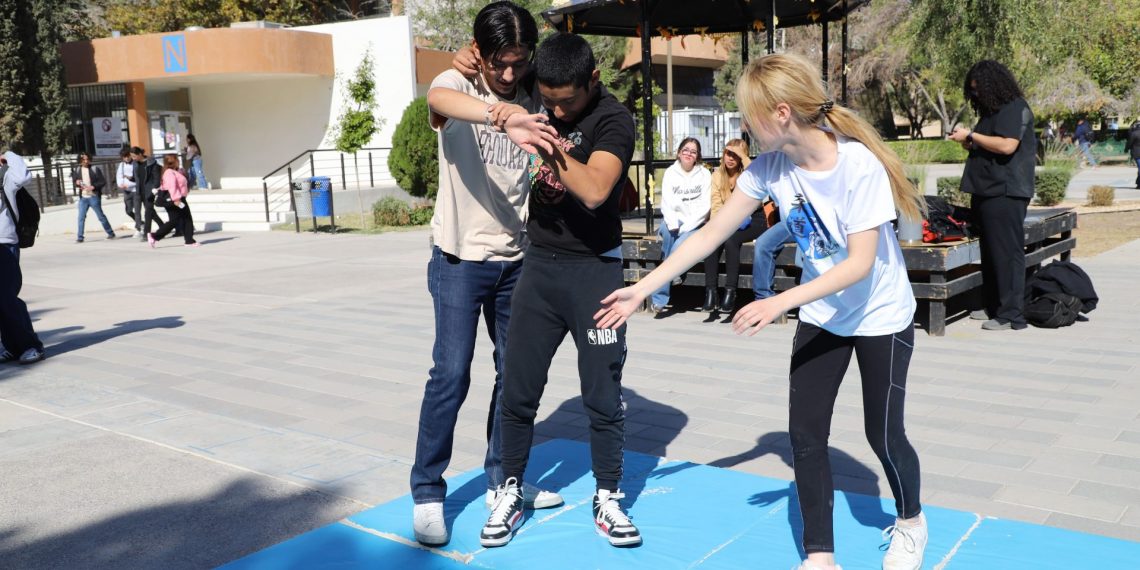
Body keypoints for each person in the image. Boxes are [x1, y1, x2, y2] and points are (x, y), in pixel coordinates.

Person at [594, 53, 929, 570]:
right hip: (821, 314)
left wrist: (777, 301)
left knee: (882, 433)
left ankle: (910, 521)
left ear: (781, 113)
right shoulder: (769, 169)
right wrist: (643, 289)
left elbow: (859, 264)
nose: (743, 128)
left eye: (749, 116)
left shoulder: (857, 165)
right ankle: (820, 557)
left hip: (880, 314)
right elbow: (709, 234)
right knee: (806, 435)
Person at [409, 1, 563, 548]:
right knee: (451, 375)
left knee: (513, 375)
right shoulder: (457, 81)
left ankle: (505, 480)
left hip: (517, 260)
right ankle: (428, 492)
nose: (508, 73)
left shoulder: (533, 92)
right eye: (500, 62)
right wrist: (501, 114)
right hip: (458, 258)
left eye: (519, 62)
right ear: (479, 51)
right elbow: (438, 100)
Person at [479, 32, 641, 549]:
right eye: (547, 101)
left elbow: (595, 190)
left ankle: (608, 496)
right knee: (517, 389)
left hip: (594, 273)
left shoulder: (614, 120)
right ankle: (508, 489)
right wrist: (467, 58)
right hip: (540, 269)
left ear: (593, 79)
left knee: (602, 395)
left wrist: (546, 148)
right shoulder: (537, 88)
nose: (555, 110)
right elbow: (454, 92)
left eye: (566, 101)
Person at [948, 60, 1037, 331]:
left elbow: (1007, 145)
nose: (975, 95)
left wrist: (972, 135)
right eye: (972, 91)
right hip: (987, 190)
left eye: (978, 90)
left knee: (1007, 252)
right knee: (990, 252)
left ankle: (1012, 315)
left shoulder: (1015, 108)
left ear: (993, 86)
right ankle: (994, 306)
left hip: (1006, 192)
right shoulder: (991, 113)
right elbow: (986, 145)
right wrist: (968, 140)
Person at [701, 138, 763, 313]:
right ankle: (711, 293)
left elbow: (757, 182)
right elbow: (715, 205)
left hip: (753, 219)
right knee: (711, 240)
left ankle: (730, 292)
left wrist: (745, 158)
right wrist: (717, 226)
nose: (731, 158)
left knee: (731, 241)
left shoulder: (748, 174)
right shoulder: (717, 175)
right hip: (728, 220)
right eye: (728, 153)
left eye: (736, 155)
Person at [649, 137, 711, 312]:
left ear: (698, 156)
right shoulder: (670, 173)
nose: (689, 154)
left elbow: (705, 207)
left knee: (676, 246)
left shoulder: (704, 174)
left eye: (693, 151)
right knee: (668, 233)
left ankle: (660, 297)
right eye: (686, 150)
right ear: (678, 153)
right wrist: (673, 223)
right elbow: (666, 204)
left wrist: (685, 228)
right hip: (673, 220)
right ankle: (672, 278)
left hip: (695, 223)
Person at [0, 152, 46, 365]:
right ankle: (11, 346)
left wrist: (8, 155)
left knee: (7, 298)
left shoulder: (6, 176)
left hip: (4, 242)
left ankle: (31, 345)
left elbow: (24, 176)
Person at [147, 154, 198, 247]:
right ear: (174, 161)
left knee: (181, 220)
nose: (178, 161)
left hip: (178, 198)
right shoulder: (169, 172)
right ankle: (154, 236)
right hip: (176, 199)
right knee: (181, 220)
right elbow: (172, 186)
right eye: (177, 160)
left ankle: (189, 240)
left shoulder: (172, 171)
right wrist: (176, 199)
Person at [70, 153, 117, 243]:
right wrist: (77, 182)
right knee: (81, 217)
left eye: (87, 159)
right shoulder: (77, 170)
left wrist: (93, 187)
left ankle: (111, 233)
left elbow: (102, 182)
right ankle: (80, 237)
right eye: (83, 160)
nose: (86, 161)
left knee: (100, 216)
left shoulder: (94, 169)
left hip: (94, 197)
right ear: (80, 160)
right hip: (83, 197)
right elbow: (75, 181)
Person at [130, 147, 165, 241]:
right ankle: (163, 226)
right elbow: (136, 177)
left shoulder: (151, 163)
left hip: (149, 191)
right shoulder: (135, 163)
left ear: (140, 154)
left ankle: (146, 234)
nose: (133, 158)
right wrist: (130, 179)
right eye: (132, 156)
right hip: (138, 191)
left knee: (147, 213)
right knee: (151, 212)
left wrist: (154, 190)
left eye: (134, 156)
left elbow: (156, 179)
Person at [116, 148, 142, 238]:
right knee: (128, 211)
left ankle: (138, 229)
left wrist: (130, 183)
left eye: (127, 156)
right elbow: (119, 176)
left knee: (137, 211)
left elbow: (137, 178)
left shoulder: (135, 164)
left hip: (135, 190)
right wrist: (121, 184)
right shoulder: (122, 165)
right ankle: (140, 223)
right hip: (127, 191)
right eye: (124, 157)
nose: (126, 158)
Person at [1125, 120, 1140, 189]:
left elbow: (1129, 143)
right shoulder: (1134, 133)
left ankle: (1138, 183)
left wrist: (1126, 149)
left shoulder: (1134, 133)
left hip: (1136, 153)